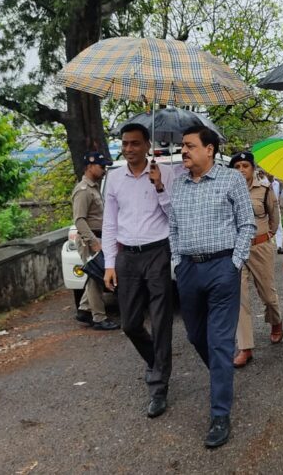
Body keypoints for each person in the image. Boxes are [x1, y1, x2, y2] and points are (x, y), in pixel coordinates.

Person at [169, 126, 255, 448]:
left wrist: (234, 262)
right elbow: (172, 228)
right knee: (195, 335)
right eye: (183, 146)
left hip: (222, 267)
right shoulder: (178, 185)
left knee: (219, 342)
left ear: (210, 150)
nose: (184, 151)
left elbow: (247, 223)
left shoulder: (231, 180)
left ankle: (220, 414)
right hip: (189, 270)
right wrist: (177, 262)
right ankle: (223, 376)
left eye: (190, 146)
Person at [102, 123, 175, 418]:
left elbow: (174, 215)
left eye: (135, 143)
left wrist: (158, 186)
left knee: (161, 322)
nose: (129, 149)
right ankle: (155, 362)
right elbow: (109, 223)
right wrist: (109, 262)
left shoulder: (165, 173)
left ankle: (158, 387)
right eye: (125, 143)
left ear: (147, 145)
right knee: (130, 324)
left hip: (157, 252)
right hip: (127, 257)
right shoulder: (114, 178)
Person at [229, 152, 283, 369]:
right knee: (239, 298)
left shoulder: (265, 190)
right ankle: (245, 347)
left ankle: (276, 321)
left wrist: (267, 235)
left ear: (252, 168)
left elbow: (274, 216)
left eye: (245, 166)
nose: (241, 170)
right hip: (236, 251)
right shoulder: (226, 191)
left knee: (268, 295)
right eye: (237, 166)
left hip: (260, 247)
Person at [72, 151, 120, 330]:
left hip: (98, 237)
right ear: (90, 166)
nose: (104, 170)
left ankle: (84, 309)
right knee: (96, 276)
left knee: (95, 275)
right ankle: (99, 318)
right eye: (101, 167)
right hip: (90, 239)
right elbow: (79, 220)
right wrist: (93, 242)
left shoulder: (93, 188)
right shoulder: (83, 190)